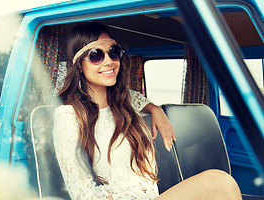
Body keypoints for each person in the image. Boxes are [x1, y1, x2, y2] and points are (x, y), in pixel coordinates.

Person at [53, 22, 241, 200]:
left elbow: (134, 97)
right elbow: (82, 195)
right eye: (96, 55)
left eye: (114, 52)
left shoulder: (125, 104)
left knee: (221, 184)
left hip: (152, 195)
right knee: (219, 182)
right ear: (79, 64)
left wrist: (155, 109)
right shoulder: (68, 117)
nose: (109, 61)